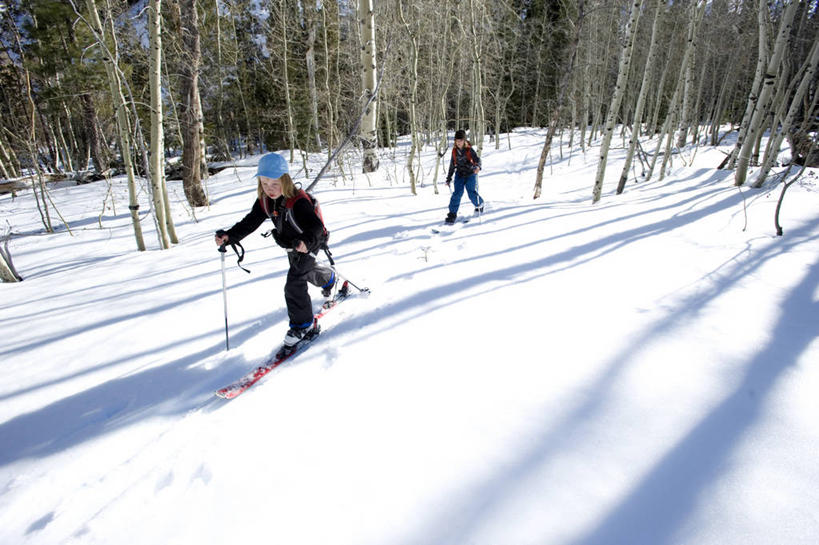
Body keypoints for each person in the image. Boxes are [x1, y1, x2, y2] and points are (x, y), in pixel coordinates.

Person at [215, 152, 336, 352]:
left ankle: (303, 326)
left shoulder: (297, 201)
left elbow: (315, 227)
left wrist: (307, 241)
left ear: (285, 180)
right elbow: (250, 221)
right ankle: (328, 279)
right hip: (292, 243)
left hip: (310, 241)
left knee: (294, 282)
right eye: (264, 183)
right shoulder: (265, 201)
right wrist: (230, 235)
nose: (269, 189)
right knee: (303, 272)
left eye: (274, 183)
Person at [444, 129, 484, 224]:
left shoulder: (469, 150)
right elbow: (452, 165)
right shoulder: (454, 151)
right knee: (457, 193)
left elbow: (477, 160)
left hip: (470, 173)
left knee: (471, 193)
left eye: (461, 140)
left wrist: (477, 166)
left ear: (464, 140)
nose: (459, 142)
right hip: (460, 174)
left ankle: (479, 204)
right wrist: (449, 178)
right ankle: (452, 214)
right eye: (457, 140)